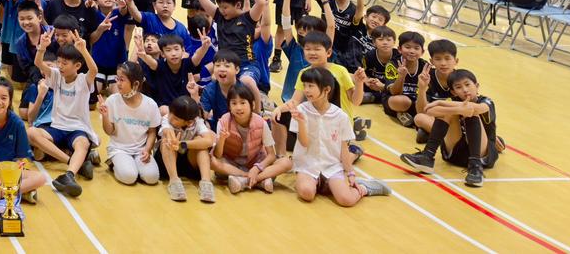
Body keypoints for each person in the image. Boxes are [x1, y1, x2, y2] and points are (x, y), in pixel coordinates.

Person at [286, 68, 390, 205]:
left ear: (326, 89)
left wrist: (350, 173)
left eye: (311, 86)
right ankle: (321, 185)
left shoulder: (340, 116)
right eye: (304, 85)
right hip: (307, 166)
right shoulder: (301, 110)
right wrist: (301, 122)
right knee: (307, 193)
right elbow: (304, 143)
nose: (306, 90)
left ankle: (364, 188)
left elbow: (344, 149)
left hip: (332, 167)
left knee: (346, 200)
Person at [26, 36, 99, 198]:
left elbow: (94, 70)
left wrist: (83, 50)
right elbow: (39, 63)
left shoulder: (83, 80)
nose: (60, 66)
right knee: (30, 132)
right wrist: (42, 47)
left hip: (77, 128)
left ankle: (69, 175)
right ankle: (72, 162)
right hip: (57, 127)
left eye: (64, 63)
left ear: (77, 66)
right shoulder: (56, 75)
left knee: (82, 143)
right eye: (58, 62)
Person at [400, 68, 499, 187]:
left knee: (471, 113)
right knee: (447, 113)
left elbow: (473, 109)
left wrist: (441, 103)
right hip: (456, 153)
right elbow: (429, 111)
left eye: (467, 84)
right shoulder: (451, 101)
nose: (465, 90)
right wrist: (453, 108)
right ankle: (427, 156)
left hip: (482, 154)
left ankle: (475, 168)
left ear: (477, 86)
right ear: (453, 92)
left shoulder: (487, 101)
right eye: (458, 87)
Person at [212, 84, 290, 194]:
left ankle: (244, 181)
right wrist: (222, 139)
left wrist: (257, 168)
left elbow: (271, 155)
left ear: (252, 105)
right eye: (234, 103)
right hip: (232, 163)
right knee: (211, 161)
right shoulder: (223, 122)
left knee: (286, 162)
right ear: (229, 106)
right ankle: (258, 179)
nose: (238, 107)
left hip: (256, 162)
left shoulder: (261, 123)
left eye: (243, 103)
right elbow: (218, 155)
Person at [100, 61, 161, 186]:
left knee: (152, 177)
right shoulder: (112, 100)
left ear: (136, 84)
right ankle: (114, 163)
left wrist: (147, 149)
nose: (118, 83)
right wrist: (105, 116)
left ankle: (132, 165)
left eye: (122, 80)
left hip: (140, 150)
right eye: (117, 79)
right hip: (119, 149)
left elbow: (152, 132)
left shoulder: (150, 104)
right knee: (129, 177)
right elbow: (109, 131)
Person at [155, 95, 216, 203]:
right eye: (170, 113)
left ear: (189, 122)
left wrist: (182, 144)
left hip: (189, 162)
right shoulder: (167, 119)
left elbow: (209, 141)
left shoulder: (198, 122)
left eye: (176, 118)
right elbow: (167, 132)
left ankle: (206, 183)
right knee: (166, 142)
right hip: (168, 163)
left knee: (201, 143)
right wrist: (173, 141)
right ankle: (174, 181)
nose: (170, 118)